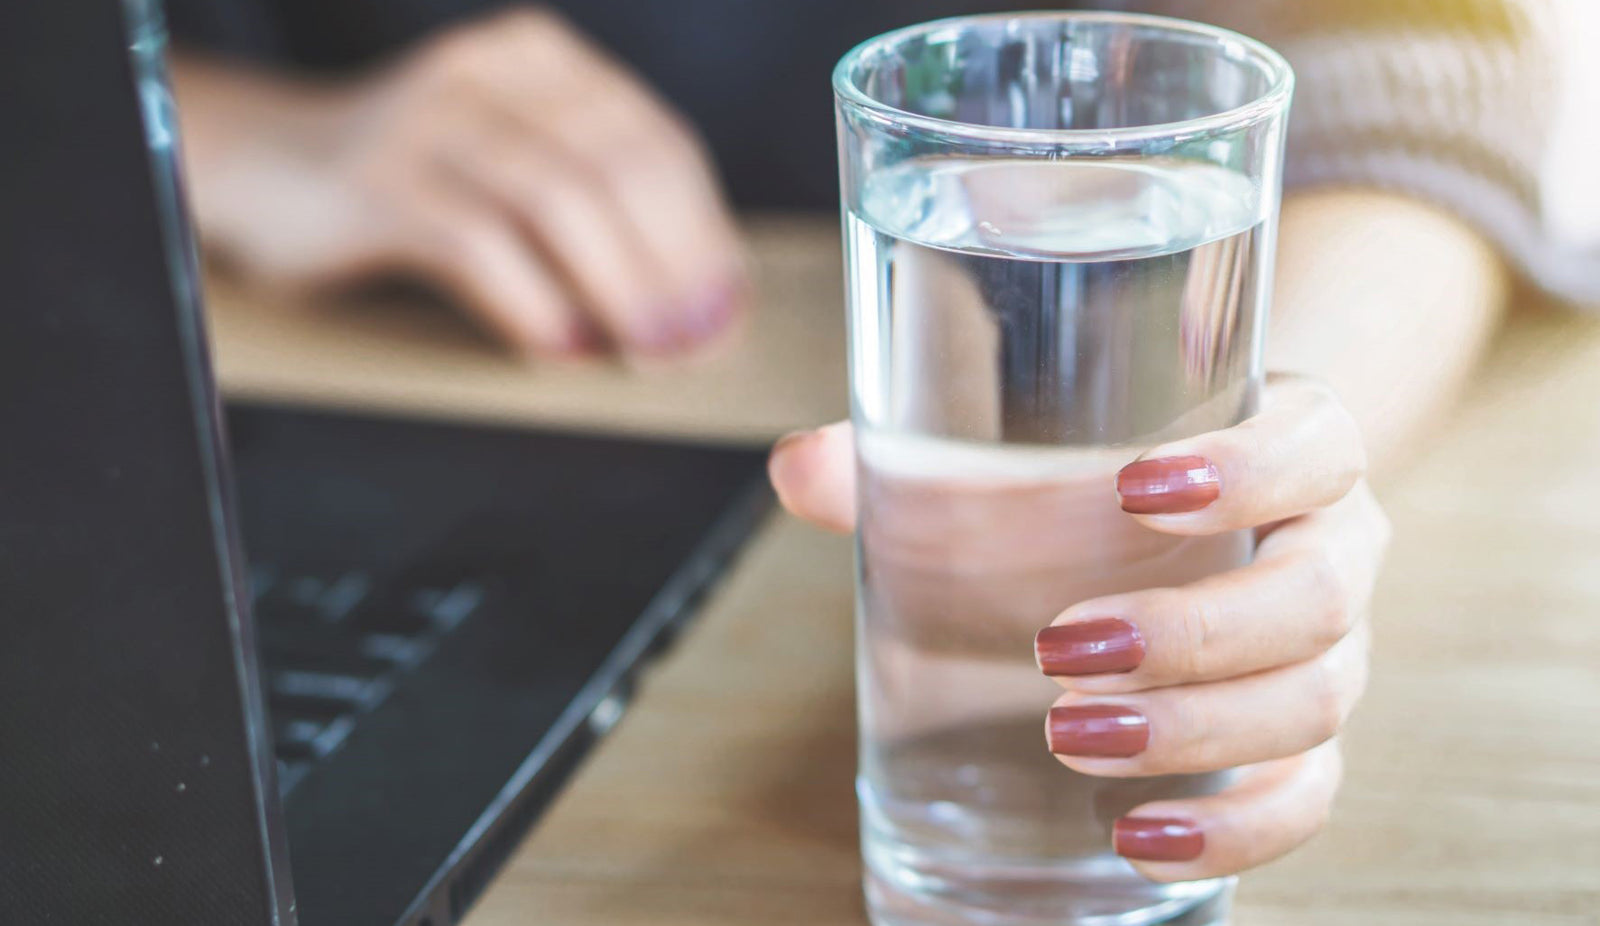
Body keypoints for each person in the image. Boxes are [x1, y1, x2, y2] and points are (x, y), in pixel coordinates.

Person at [165, 0, 1598, 884]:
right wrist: (198, 131)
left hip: (825, 486)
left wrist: (1277, 441)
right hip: (327, 410)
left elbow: (1418, 55)